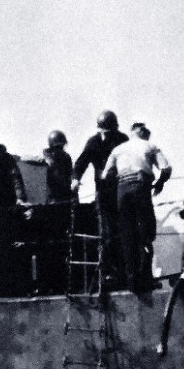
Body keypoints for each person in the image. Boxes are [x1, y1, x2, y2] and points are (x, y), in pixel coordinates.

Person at [102, 121, 172, 293]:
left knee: (127, 235)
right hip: (140, 188)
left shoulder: (118, 149)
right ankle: (146, 278)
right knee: (146, 233)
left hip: (122, 189)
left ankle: (131, 278)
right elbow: (166, 168)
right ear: (142, 132)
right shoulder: (150, 146)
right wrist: (160, 184)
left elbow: (106, 175)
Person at [71, 111, 129, 285]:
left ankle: (124, 270)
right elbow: (81, 162)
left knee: (122, 229)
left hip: (119, 187)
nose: (106, 134)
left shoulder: (122, 140)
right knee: (106, 230)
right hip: (103, 190)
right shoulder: (94, 142)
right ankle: (109, 271)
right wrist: (75, 179)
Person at [42, 130, 73, 203]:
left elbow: (69, 175)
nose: (60, 149)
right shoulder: (48, 156)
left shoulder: (66, 157)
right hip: (52, 194)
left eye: (61, 146)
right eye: (58, 147)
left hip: (65, 194)